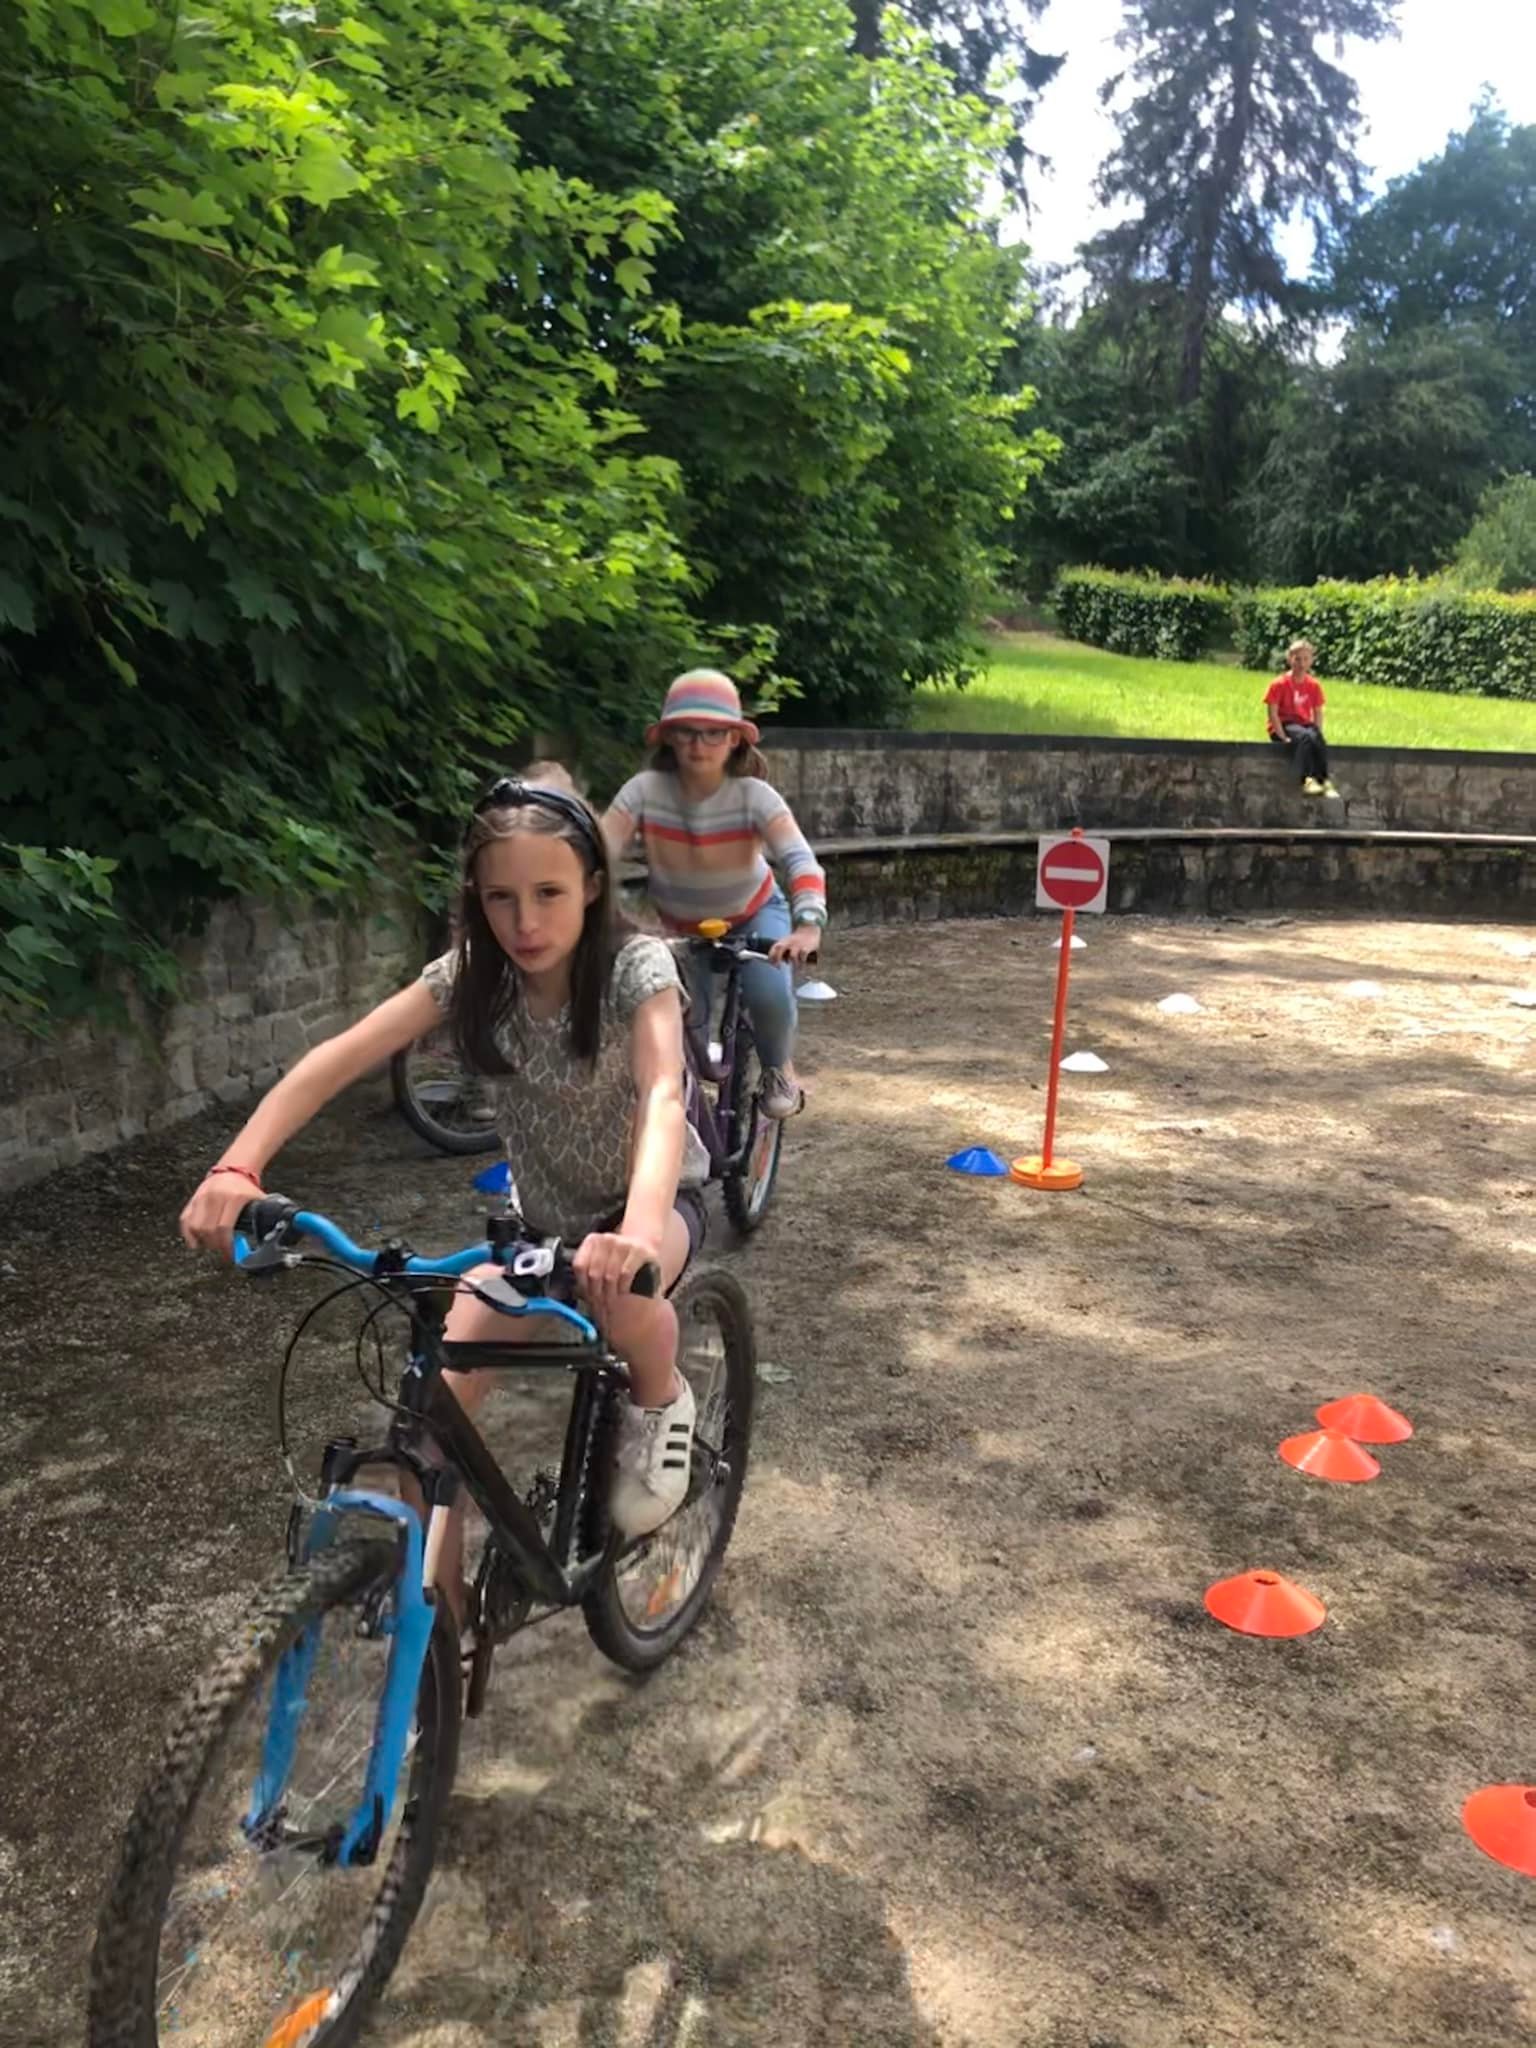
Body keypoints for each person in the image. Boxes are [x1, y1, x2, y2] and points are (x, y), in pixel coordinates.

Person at [179, 772, 711, 1584]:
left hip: (650, 1206)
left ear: (592, 887)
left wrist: (636, 1231)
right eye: (501, 898)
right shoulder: (473, 977)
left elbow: (663, 1091)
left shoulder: (634, 968)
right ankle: (435, 1649)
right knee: (429, 1425)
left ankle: (661, 1396)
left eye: (549, 893)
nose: (525, 922)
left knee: (624, 1297)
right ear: (476, 899)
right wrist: (237, 1166)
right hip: (540, 1229)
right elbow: (340, 1056)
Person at [602, 669, 827, 1120]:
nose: (698, 744)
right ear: (668, 738)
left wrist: (807, 925)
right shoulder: (643, 792)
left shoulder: (755, 797)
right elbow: (598, 852)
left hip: (753, 912)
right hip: (678, 926)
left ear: (734, 740)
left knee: (768, 992)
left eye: (713, 733)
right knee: (682, 1023)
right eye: (685, 731)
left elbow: (800, 859)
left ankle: (778, 1067)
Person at [1265, 639, 1339, 799]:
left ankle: (1324, 780)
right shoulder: (1279, 684)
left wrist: (1317, 731)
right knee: (1305, 737)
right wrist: (1282, 736)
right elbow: (1273, 713)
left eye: (1306, 659)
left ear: (1311, 660)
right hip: (1284, 725)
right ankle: (1306, 779)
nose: (1301, 664)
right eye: (1297, 659)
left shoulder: (1313, 685)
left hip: (1303, 724)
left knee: (1316, 738)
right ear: (1289, 659)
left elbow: (1318, 712)